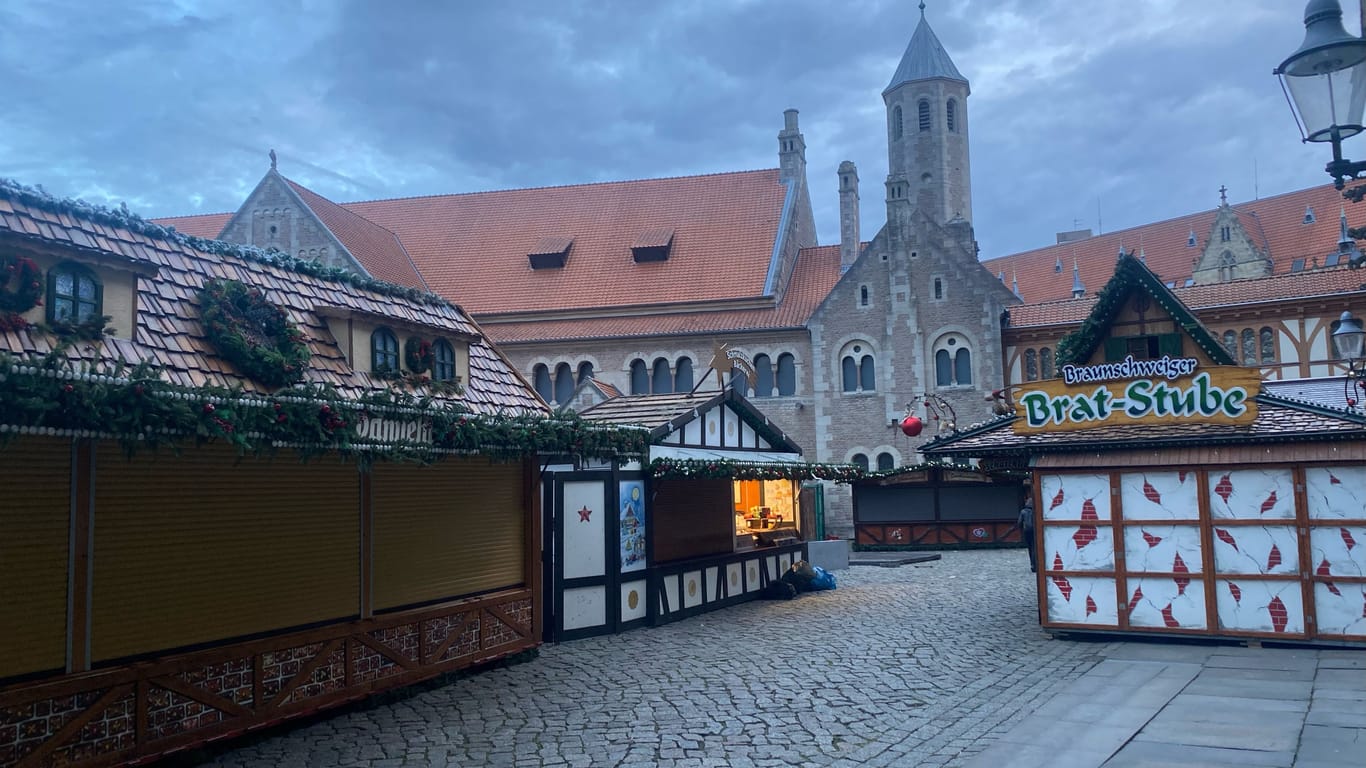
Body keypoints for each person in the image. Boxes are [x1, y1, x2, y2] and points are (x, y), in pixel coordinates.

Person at [1018, 498, 1037, 572]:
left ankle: (1032, 564)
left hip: (1026, 531)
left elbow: (1019, 522)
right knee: (1034, 547)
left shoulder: (1023, 512)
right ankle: (1035, 564)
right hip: (1035, 531)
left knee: (1030, 547)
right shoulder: (1035, 511)